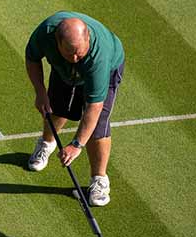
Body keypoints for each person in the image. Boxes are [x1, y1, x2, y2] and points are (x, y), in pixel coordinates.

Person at [25, 11, 124, 206]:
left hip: (108, 68)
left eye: (80, 51)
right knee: (55, 107)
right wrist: (40, 91)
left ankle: (99, 180)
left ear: (87, 38)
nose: (77, 57)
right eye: (71, 53)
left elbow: (94, 107)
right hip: (62, 68)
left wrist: (76, 145)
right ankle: (46, 143)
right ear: (57, 42)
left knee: (98, 126)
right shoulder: (44, 34)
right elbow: (32, 58)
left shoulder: (98, 58)